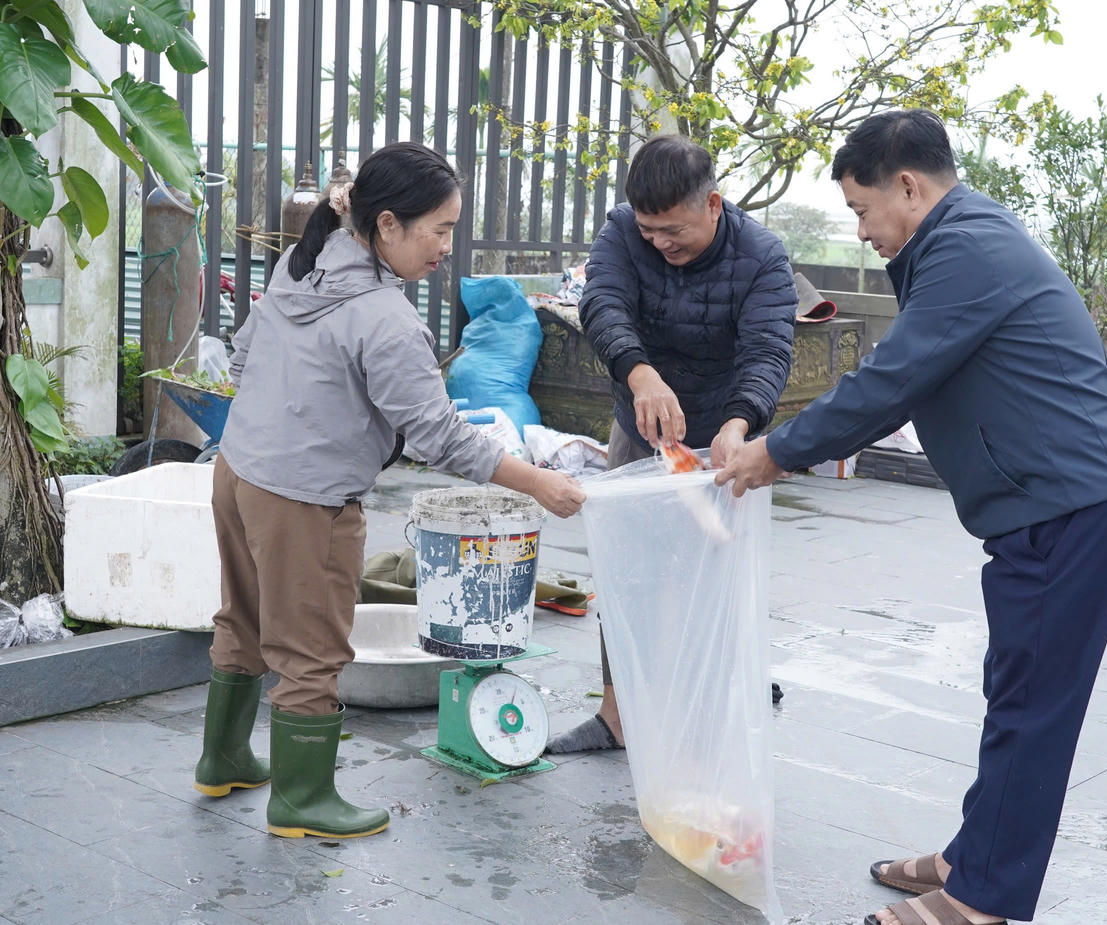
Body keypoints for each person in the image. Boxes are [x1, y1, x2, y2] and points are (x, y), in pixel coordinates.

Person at [715, 110, 1107, 925]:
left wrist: (776, 452)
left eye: (860, 210)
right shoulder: (957, 238)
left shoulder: (968, 247)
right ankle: (972, 854)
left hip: (1072, 502)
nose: (860, 231)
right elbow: (905, 375)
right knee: (1014, 683)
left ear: (908, 187)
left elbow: (892, 380)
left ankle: (983, 897)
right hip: (1046, 500)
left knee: (1035, 702)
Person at [192, 142, 585, 840]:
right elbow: (441, 437)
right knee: (312, 650)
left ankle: (222, 758)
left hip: (239, 471)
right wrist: (538, 483)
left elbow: (244, 351)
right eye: (438, 228)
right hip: (304, 497)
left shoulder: (303, 262)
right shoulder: (385, 317)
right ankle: (302, 799)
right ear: (386, 227)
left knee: (243, 618)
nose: (445, 246)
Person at [546, 134, 798, 753]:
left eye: (673, 229)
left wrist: (739, 424)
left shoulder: (763, 256)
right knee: (626, 570)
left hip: (726, 433)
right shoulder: (621, 235)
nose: (660, 242)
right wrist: (641, 374)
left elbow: (768, 351)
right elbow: (602, 306)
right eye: (649, 229)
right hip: (642, 422)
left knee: (716, 571)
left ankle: (720, 691)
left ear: (713, 204)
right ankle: (617, 715)